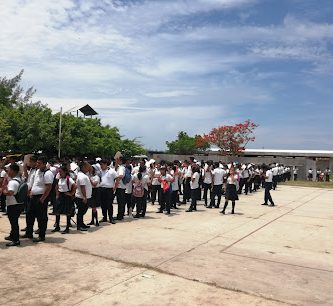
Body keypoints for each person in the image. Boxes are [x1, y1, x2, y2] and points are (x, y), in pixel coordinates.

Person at [23, 156, 54, 242]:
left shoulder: (48, 173)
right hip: (33, 196)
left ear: (44, 164)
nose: (38, 164)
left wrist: (43, 198)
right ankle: (29, 233)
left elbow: (49, 187)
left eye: (39, 163)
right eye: (37, 163)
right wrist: (30, 191)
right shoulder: (37, 171)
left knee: (41, 217)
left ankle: (41, 235)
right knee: (29, 215)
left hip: (41, 197)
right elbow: (34, 183)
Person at [1, 164, 25, 247]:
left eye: (9, 170)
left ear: (13, 171)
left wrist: (3, 191)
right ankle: (12, 236)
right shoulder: (19, 179)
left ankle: (16, 240)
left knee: (14, 223)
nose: (8, 171)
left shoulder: (12, 182)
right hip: (18, 204)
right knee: (14, 222)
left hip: (13, 205)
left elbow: (10, 193)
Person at [53, 165, 76, 234]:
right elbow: (57, 186)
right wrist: (57, 194)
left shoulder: (68, 179)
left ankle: (67, 228)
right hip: (60, 195)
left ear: (65, 172)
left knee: (67, 212)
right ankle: (57, 226)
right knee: (57, 211)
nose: (59, 173)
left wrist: (71, 194)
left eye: (61, 171)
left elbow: (75, 186)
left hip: (66, 196)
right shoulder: (60, 178)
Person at [74, 161, 93, 231]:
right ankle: (79, 226)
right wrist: (84, 197)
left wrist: (86, 163)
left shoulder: (83, 174)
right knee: (81, 211)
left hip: (85, 196)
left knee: (82, 211)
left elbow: (91, 169)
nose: (88, 168)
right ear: (83, 167)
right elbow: (82, 187)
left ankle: (81, 224)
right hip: (81, 197)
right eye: (87, 167)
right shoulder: (82, 176)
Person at [99, 160, 117, 224]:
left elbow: (117, 179)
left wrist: (114, 188)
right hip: (101, 189)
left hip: (109, 189)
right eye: (100, 164)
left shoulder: (112, 171)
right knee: (103, 204)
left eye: (102, 164)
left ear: (106, 164)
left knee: (109, 204)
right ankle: (104, 217)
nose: (101, 166)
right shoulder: (99, 172)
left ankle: (111, 218)